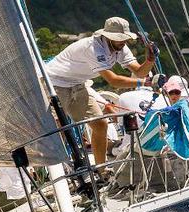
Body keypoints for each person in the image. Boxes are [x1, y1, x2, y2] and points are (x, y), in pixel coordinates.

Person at [46, 17, 164, 167]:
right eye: (119, 39)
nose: (123, 42)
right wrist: (145, 82)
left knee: (100, 124)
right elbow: (114, 81)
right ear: (107, 36)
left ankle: (101, 169)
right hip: (54, 82)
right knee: (56, 128)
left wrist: (150, 60)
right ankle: (56, 168)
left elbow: (140, 72)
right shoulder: (93, 48)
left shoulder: (120, 48)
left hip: (77, 84)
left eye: (125, 39)